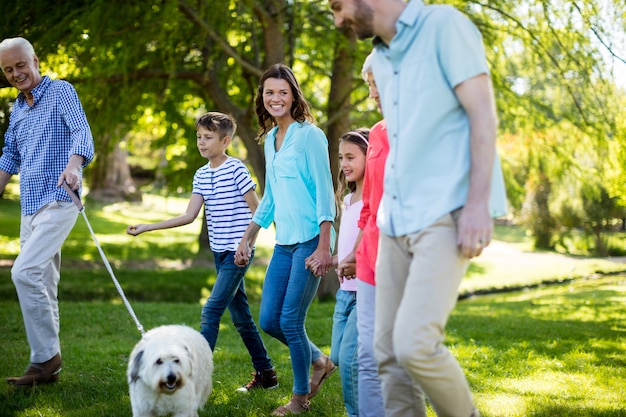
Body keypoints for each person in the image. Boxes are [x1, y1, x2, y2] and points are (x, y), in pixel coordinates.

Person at [329, 1, 508, 416]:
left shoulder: (444, 26)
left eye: (338, 6)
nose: (338, 20)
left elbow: (481, 114)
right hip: (395, 222)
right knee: (387, 355)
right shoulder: (384, 57)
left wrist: (479, 204)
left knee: (415, 345)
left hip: (443, 213)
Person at [126, 111, 278, 391]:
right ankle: (266, 373)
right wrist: (148, 226)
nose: (201, 142)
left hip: (238, 254)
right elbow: (189, 216)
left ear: (225, 141)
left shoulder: (236, 170)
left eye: (208, 137)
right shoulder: (201, 174)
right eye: (199, 137)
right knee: (242, 319)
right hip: (220, 255)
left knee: (210, 312)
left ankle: (194, 378)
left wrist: (247, 243)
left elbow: (260, 210)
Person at [235, 63, 337, 416]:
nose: (276, 98)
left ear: (293, 96)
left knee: (291, 321)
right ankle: (320, 361)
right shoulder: (269, 142)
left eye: (282, 92)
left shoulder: (310, 135)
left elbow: (326, 192)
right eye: (269, 93)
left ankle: (298, 399)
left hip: (312, 239)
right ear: (262, 99)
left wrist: (325, 246)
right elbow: (271, 197)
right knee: (269, 320)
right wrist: (248, 237)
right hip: (285, 242)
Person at [0, 37, 95, 386]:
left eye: (20, 65)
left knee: (23, 273)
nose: (16, 73)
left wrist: (74, 165)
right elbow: (10, 155)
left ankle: (44, 359)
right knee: (43, 281)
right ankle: (47, 370)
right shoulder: (18, 109)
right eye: (8, 70)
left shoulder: (61, 92)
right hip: (29, 206)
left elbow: (81, 132)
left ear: (35, 60)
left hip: (60, 197)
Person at [330, 128, 369, 417]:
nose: (344, 163)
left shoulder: (373, 201)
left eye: (351, 157)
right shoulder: (348, 199)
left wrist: (355, 260)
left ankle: (356, 413)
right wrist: (332, 260)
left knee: (350, 359)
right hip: (345, 292)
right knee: (336, 356)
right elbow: (346, 245)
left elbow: (368, 240)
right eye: (341, 157)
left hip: (364, 292)